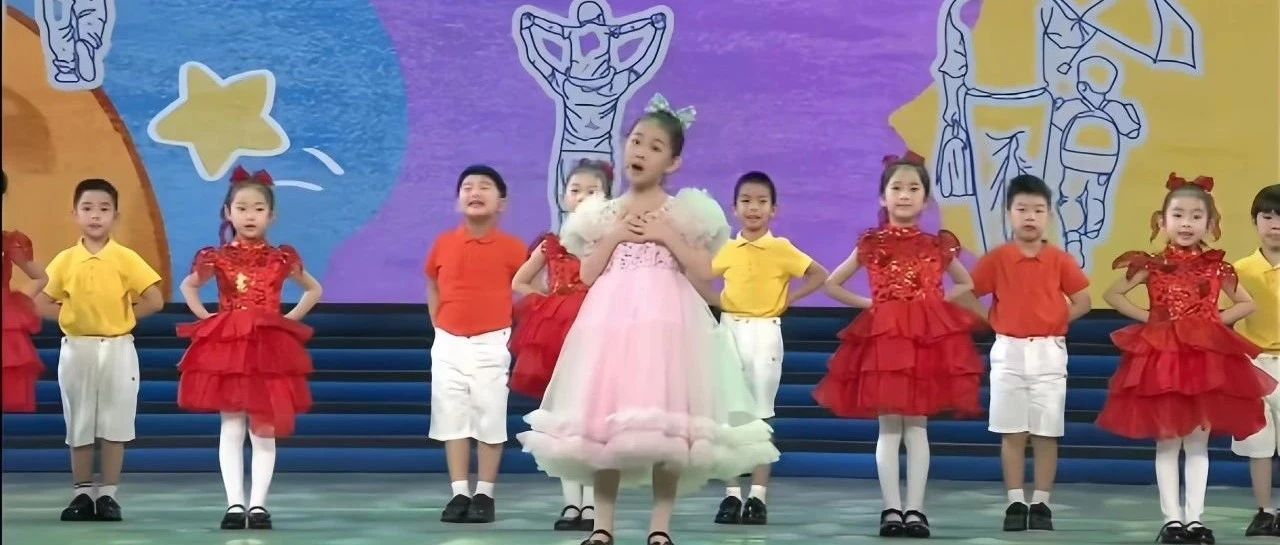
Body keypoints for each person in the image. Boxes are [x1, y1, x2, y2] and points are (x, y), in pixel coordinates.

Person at [517, 94, 779, 545]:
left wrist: (666, 236)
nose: (640, 150)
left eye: (655, 146)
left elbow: (704, 272)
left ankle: (660, 528)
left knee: (668, 425)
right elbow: (586, 274)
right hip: (611, 325)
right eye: (636, 141)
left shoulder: (685, 213)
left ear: (673, 162)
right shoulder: (602, 213)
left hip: (667, 325)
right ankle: (603, 527)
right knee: (604, 424)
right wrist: (615, 235)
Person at [813, 152, 984, 538]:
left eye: (913, 188)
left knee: (917, 427)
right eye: (897, 188)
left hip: (923, 340)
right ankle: (891, 509)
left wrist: (934, 305)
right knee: (890, 428)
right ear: (883, 197)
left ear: (926, 199)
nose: (904, 195)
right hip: (886, 340)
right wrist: (869, 304)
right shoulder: (872, 244)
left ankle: (916, 510)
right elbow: (832, 283)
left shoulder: (936, 245)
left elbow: (967, 282)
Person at [1096, 174, 1271, 544]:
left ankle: (1195, 520)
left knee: (1196, 444)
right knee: (1167, 442)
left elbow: (1246, 303)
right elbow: (1113, 294)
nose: (1186, 223)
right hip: (1163, 362)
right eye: (1178, 215)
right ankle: (1172, 520)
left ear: (1210, 223)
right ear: (1162, 221)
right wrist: (1152, 319)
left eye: (1196, 216)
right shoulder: (1151, 265)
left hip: (1203, 364)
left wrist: (1210, 322)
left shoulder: (1217, 267)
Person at [176, 167, 323, 530]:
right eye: (241, 208)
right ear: (228, 213)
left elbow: (313, 289)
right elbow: (188, 286)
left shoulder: (281, 257)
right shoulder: (216, 257)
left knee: (264, 427)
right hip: (230, 349)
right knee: (231, 425)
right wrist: (207, 319)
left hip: (267, 349)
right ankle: (234, 504)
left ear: (271, 215)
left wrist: (286, 320)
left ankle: (258, 505)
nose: (250, 215)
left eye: (258, 208)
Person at [36, 178, 164, 522]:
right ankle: (81, 494)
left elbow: (154, 299)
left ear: (115, 216)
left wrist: (122, 318)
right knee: (78, 422)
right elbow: (39, 302)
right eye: (88, 208)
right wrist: (72, 316)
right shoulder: (65, 260)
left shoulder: (126, 258)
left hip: (118, 348)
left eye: (104, 209)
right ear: (75, 214)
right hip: (77, 349)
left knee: (115, 423)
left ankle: (107, 494)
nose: (95, 216)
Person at [970, 174, 1090, 532]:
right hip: (1008, 350)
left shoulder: (1059, 259)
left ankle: (1041, 502)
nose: (1030, 216)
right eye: (1022, 209)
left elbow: (1083, 300)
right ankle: (1014, 502)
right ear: (1009, 213)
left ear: (1049, 215)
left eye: (1038, 209)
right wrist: (992, 320)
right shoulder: (997, 259)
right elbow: (966, 293)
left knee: (1046, 432)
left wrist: (1054, 319)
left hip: (1049, 351)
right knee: (1012, 432)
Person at [710, 170, 828, 526]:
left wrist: (789, 299)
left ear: (773, 209)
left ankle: (757, 497)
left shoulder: (781, 248)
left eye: (762, 202)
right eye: (746, 201)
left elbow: (818, 274)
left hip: (765, 333)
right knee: (728, 415)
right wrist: (718, 302)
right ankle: (732, 494)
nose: (753, 208)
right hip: (729, 330)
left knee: (761, 415)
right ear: (734, 208)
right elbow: (700, 275)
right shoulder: (726, 248)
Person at [510, 159, 612, 531]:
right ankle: (571, 504)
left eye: (592, 191)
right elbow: (519, 282)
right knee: (561, 418)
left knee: (594, 419)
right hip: (558, 336)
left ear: (607, 198)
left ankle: (594, 506)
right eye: (575, 190)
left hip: (598, 330)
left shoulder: (609, 243)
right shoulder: (552, 244)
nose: (582, 197)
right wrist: (548, 303)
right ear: (564, 196)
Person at [426, 165, 528, 524]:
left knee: (489, 414)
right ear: (458, 200)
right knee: (451, 414)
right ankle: (459, 493)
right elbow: (433, 283)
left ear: (502, 202)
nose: (475, 192)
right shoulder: (444, 243)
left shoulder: (514, 248)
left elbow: (530, 287)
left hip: (491, 341)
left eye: (485, 186)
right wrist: (438, 323)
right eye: (467, 187)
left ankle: (485, 493)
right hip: (448, 340)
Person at [1229, 183, 1280, 537]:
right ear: (1255, 221)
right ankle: (1264, 512)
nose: (1275, 225)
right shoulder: (1239, 270)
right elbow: (1225, 321)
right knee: (1258, 444)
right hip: (1253, 366)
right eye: (1267, 216)